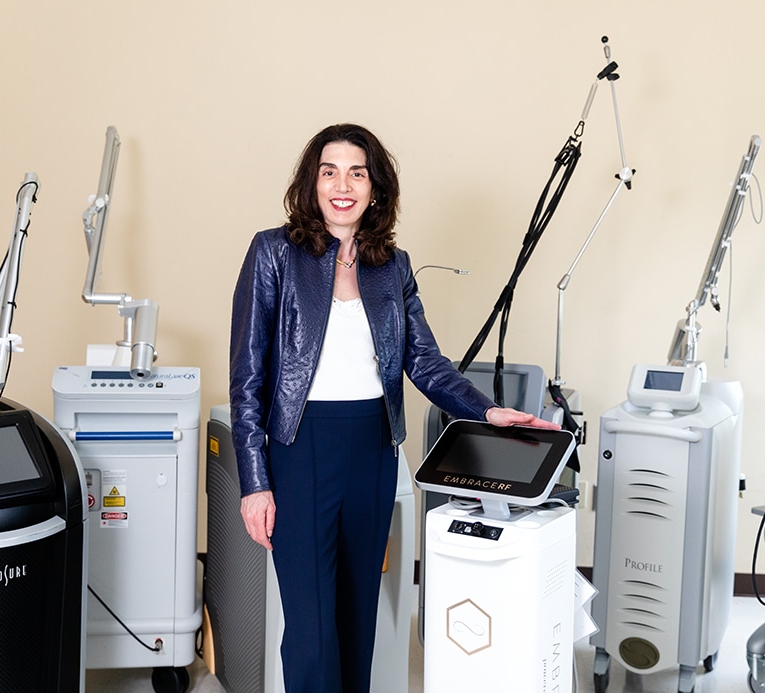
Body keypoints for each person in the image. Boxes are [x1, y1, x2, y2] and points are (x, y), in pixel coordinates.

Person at [229, 123, 559, 693]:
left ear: (375, 188)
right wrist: (254, 481)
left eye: (357, 172)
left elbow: (425, 362)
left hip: (374, 452)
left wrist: (488, 412)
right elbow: (247, 377)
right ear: (310, 183)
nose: (342, 185)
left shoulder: (393, 266)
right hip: (299, 450)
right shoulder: (273, 253)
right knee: (310, 628)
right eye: (328, 171)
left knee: (359, 617)